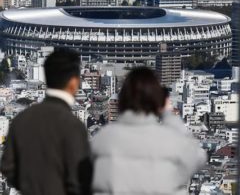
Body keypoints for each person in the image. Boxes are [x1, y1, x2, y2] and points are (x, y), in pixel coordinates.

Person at [91, 67, 206, 195]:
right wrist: (168, 114)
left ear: (122, 100)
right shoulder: (172, 140)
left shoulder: (101, 140)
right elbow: (198, 157)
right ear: (157, 101)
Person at [1, 49, 92, 195]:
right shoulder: (73, 125)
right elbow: (81, 178)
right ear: (74, 82)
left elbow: (7, 165)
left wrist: (29, 184)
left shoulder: (22, 119)